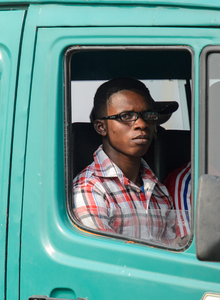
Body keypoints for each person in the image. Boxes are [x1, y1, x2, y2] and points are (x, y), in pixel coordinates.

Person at [73, 77, 176, 245]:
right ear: (101, 127)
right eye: (126, 116)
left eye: (147, 115)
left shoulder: (159, 190)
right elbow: (105, 259)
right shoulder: (89, 190)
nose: (141, 124)